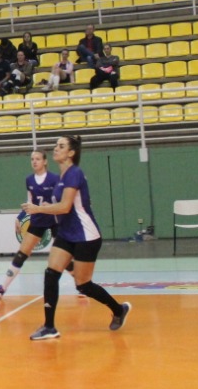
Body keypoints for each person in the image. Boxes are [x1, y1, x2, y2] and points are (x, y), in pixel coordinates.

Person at [24, 135, 131, 340]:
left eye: (61, 146)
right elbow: (62, 207)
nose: (56, 149)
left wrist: (39, 209)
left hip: (85, 235)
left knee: (83, 285)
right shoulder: (62, 177)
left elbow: (65, 206)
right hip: (66, 232)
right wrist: (47, 208)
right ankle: (49, 326)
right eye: (55, 145)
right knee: (51, 273)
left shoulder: (75, 173)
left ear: (71, 153)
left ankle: (118, 309)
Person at [0, 150, 69, 296]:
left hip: (54, 220)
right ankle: (3, 288)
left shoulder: (55, 179)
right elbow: (29, 201)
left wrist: (51, 205)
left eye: (38, 159)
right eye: (32, 159)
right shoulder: (29, 180)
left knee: (63, 257)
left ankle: (81, 285)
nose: (34, 161)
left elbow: (62, 201)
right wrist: (20, 217)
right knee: (21, 254)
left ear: (45, 161)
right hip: (37, 220)